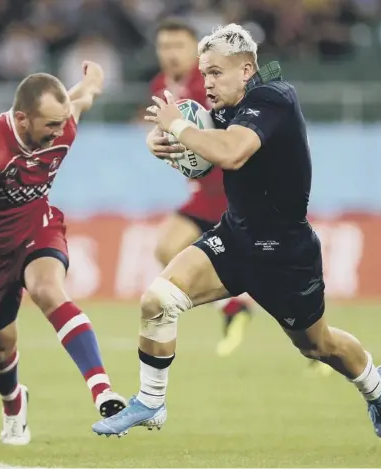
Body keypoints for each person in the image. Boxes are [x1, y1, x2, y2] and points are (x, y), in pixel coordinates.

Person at [92, 24, 381, 438]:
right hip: (235, 237)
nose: (209, 83)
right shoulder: (220, 108)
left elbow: (232, 152)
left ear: (247, 69)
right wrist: (162, 143)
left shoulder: (273, 98)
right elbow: (204, 147)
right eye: (205, 73)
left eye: (216, 73)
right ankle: (151, 401)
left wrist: (180, 129)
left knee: (317, 345)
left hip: (286, 252)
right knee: (157, 300)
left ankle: (376, 385)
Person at [0, 62, 126, 446]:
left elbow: (82, 97)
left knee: (48, 290)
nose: (60, 133)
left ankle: (103, 391)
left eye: (62, 123)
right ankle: (13, 403)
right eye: (50, 126)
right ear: (23, 119)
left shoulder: (64, 123)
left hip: (36, 226)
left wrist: (93, 79)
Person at [151, 17, 252, 357]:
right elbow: (167, 137)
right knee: (166, 248)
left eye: (179, 46)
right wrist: (155, 142)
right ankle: (232, 309)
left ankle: (317, 345)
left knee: (273, 280)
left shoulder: (211, 83)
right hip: (203, 194)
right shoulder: (160, 87)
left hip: (234, 190)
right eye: (165, 46)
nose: (171, 54)